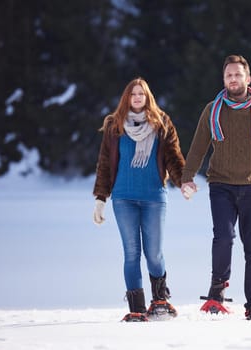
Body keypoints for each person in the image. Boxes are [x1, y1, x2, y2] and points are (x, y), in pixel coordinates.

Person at [180, 55, 251, 321]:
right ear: (224, 80)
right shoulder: (212, 110)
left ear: (248, 79)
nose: (233, 79)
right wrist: (187, 177)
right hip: (220, 184)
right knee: (223, 237)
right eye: (228, 75)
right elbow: (198, 148)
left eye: (238, 75)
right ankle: (216, 293)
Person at [92, 77, 185, 322]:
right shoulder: (115, 126)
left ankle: (160, 300)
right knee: (131, 253)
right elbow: (104, 164)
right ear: (126, 97)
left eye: (141, 94)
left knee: (154, 252)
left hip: (154, 197)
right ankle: (136, 308)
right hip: (123, 199)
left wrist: (183, 181)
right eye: (132, 94)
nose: (136, 98)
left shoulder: (161, 123)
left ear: (147, 97)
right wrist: (100, 199)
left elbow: (173, 157)